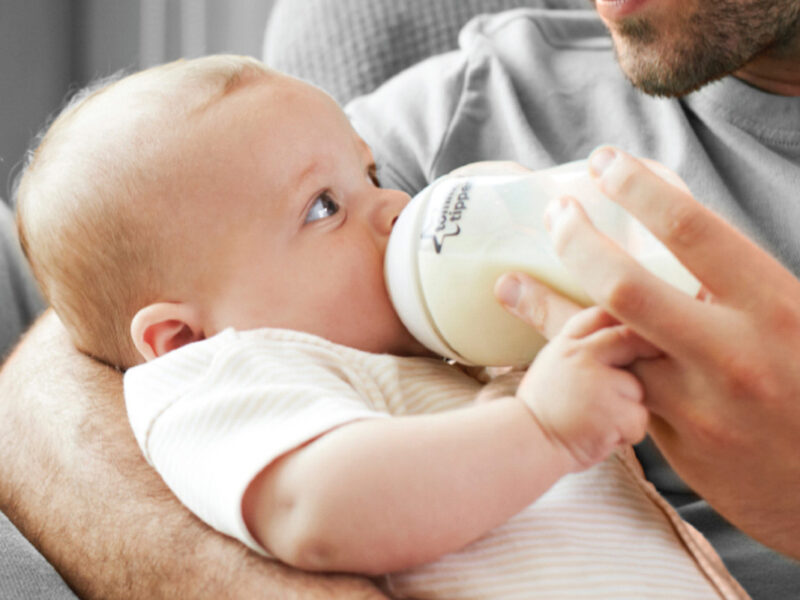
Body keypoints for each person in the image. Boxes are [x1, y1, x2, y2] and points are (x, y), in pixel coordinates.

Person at [0, 3, 797, 600]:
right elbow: (319, 505)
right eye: (323, 207)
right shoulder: (239, 383)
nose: (399, 206)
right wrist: (543, 426)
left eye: (373, 176)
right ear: (180, 340)